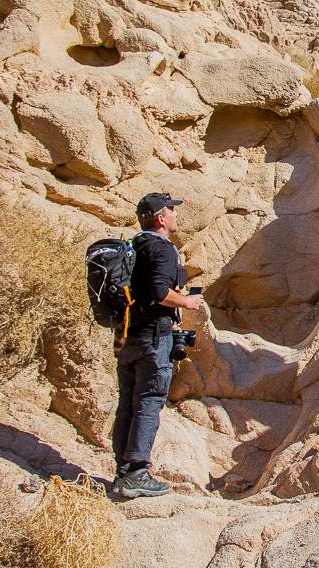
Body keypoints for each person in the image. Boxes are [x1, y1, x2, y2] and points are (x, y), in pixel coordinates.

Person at [111, 192, 204, 499]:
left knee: (128, 403)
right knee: (149, 402)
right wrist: (187, 301)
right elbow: (159, 293)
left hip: (128, 337)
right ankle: (137, 473)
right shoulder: (162, 249)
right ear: (161, 219)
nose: (176, 215)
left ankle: (122, 471)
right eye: (172, 211)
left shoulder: (133, 246)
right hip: (153, 337)